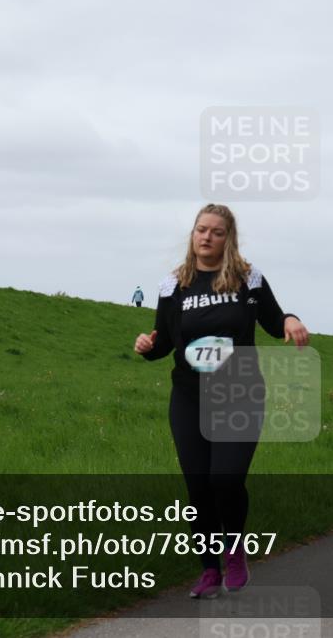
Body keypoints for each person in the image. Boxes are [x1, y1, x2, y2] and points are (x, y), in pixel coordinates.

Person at [133, 203, 309, 599]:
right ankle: (209, 569)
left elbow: (273, 318)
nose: (206, 237)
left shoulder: (248, 278)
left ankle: (234, 550)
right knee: (197, 487)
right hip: (188, 396)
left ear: (228, 238)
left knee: (225, 479)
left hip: (239, 391)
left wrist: (290, 320)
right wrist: (147, 346)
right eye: (200, 229)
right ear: (192, 234)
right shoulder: (173, 285)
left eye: (216, 231)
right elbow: (163, 341)